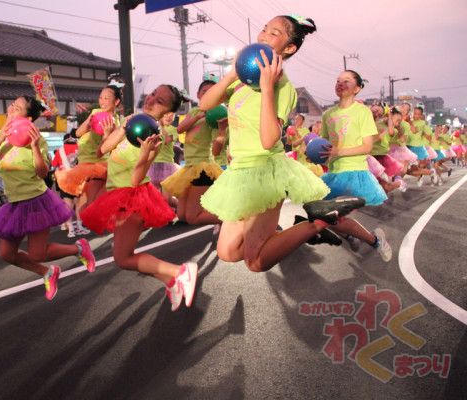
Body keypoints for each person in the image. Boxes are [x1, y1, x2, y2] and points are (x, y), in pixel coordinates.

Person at [199, 15, 364, 272]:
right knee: (228, 252)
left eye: (274, 33)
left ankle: (318, 222)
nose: (264, 35)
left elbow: (268, 140)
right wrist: (230, 75)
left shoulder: (283, 88)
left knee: (255, 262)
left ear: (289, 48)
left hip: (264, 173)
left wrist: (267, 89)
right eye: (264, 29)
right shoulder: (242, 81)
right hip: (239, 172)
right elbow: (205, 105)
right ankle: (306, 231)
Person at [81, 84, 198, 312]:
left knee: (123, 258)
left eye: (160, 101)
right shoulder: (133, 118)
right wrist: (113, 132)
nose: (152, 99)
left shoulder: (156, 136)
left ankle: (179, 272)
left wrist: (145, 154)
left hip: (132, 197)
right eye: (154, 93)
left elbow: (136, 179)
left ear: (167, 112)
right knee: (124, 255)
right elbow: (101, 151)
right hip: (116, 194)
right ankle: (171, 282)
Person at [0, 96, 95, 301]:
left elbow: (42, 173)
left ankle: (79, 248)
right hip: (13, 203)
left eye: (18, 107)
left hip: (36, 201)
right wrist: (1, 137)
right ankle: (47, 272)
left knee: (37, 253)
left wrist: (33, 148)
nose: (11, 107)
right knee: (7, 254)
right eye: (12, 104)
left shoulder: (37, 139)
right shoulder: (1, 134)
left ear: (29, 118)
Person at [318, 70, 392, 262]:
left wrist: (338, 152)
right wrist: (317, 155)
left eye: (347, 81)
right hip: (333, 174)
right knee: (321, 217)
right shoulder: (328, 114)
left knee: (332, 217)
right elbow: (326, 145)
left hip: (354, 174)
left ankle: (369, 239)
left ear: (357, 88)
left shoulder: (362, 112)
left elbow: (367, 146)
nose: (340, 84)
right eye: (338, 80)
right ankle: (370, 239)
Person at [162, 79, 223, 225]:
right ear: (198, 95)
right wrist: (197, 116)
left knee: (192, 218)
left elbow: (216, 150)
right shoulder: (194, 111)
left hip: (203, 168)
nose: (208, 94)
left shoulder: (216, 115)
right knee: (182, 216)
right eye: (204, 92)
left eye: (212, 92)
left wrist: (222, 131)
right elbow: (180, 129)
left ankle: (233, 219)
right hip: (189, 168)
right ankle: (212, 211)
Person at [58, 81, 123, 212]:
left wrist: (108, 134)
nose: (102, 101)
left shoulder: (116, 122)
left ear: (116, 102)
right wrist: (88, 123)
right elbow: (77, 133)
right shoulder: (95, 112)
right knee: (86, 202)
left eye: (106, 98)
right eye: (100, 98)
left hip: (98, 164)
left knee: (91, 203)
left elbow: (107, 147)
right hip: (84, 162)